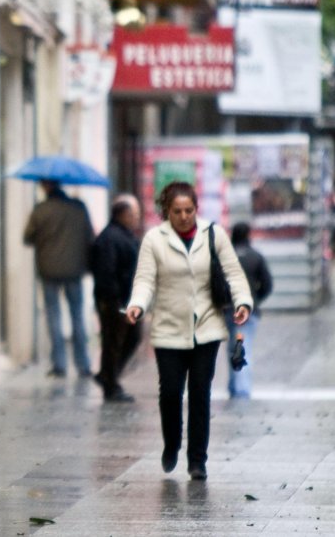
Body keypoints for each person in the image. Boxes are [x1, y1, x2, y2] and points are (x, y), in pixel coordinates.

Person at [125, 181, 252, 481]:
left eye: (189, 210)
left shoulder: (213, 234)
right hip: (168, 328)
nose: (184, 216)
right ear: (166, 211)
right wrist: (138, 304)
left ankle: (197, 461)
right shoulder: (154, 239)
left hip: (206, 328)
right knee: (170, 393)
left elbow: (233, 272)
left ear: (196, 208)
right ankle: (172, 443)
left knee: (199, 393)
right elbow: (145, 279)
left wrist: (243, 301)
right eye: (177, 211)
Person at [23, 181, 95, 378]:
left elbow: (27, 237)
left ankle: (59, 365)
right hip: (74, 270)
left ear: (46, 187)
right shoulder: (79, 207)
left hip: (49, 270)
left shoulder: (40, 210)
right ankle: (83, 364)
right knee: (77, 316)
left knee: (53, 317)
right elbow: (89, 235)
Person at [91, 194, 142, 402]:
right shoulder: (110, 238)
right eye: (133, 214)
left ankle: (108, 376)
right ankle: (110, 382)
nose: (136, 218)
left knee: (130, 337)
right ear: (123, 214)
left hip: (126, 299)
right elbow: (106, 272)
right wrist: (116, 303)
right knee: (114, 341)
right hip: (115, 300)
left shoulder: (124, 235)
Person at [222, 222, 272, 399]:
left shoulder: (226, 257)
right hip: (249, 311)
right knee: (243, 347)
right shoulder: (256, 256)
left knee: (234, 348)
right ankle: (241, 390)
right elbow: (267, 284)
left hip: (229, 310)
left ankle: (235, 387)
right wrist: (255, 299)